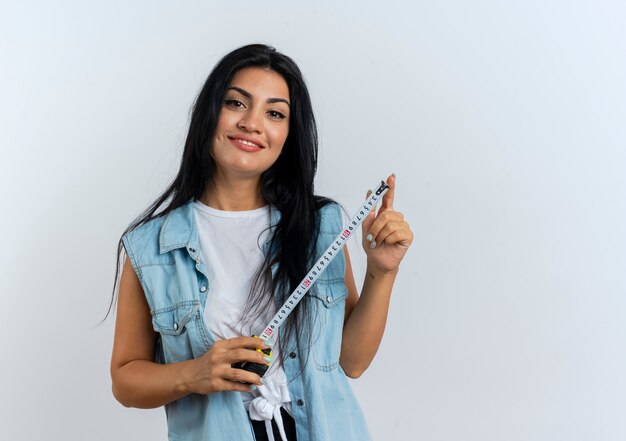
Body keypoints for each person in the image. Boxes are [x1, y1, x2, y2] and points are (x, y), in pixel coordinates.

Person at [108, 43, 413, 441]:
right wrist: (193, 373)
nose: (253, 123)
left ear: (288, 133)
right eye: (236, 103)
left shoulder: (321, 226)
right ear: (209, 115)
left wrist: (382, 271)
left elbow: (351, 362)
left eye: (274, 113)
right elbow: (125, 380)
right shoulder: (151, 246)